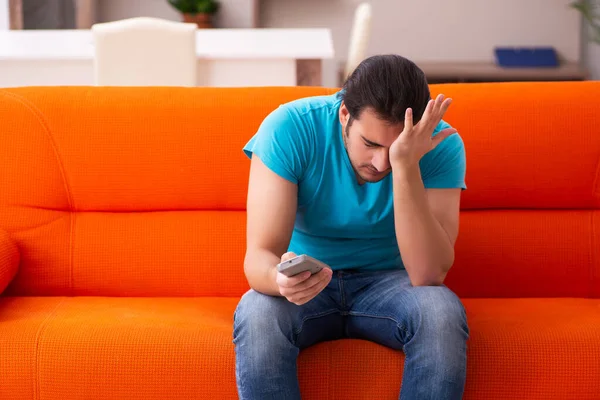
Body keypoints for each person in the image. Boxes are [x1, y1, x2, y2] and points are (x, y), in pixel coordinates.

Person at [233, 54, 469, 400]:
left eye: (394, 148)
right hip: (311, 282)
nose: (379, 163)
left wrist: (406, 166)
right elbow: (259, 257)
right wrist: (279, 280)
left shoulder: (438, 145)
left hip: (392, 281)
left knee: (441, 312)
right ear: (345, 114)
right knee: (257, 312)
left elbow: (428, 274)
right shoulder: (291, 127)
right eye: (370, 144)